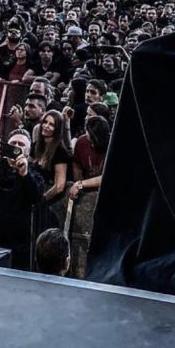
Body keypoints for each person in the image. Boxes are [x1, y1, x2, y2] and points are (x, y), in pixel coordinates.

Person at [0, 129, 45, 270]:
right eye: (13, 143)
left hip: (16, 246)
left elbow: (35, 197)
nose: (17, 147)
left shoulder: (34, 172)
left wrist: (24, 175)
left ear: (28, 151)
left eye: (21, 144)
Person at [67, 115, 110, 278]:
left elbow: (106, 176)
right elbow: (77, 164)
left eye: (93, 138)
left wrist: (81, 185)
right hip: (85, 196)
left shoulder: (111, 146)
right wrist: (79, 182)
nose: (89, 140)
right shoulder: (82, 142)